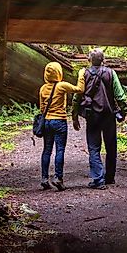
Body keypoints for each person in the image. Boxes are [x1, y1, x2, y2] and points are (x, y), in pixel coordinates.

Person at [73, 49, 127, 189]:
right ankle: (109, 177)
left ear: (89, 60)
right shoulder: (111, 73)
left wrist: (74, 116)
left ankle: (98, 179)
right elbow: (120, 95)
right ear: (103, 60)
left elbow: (77, 96)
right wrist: (123, 111)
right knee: (111, 147)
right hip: (109, 115)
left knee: (94, 147)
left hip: (92, 116)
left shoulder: (84, 73)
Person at [38, 61, 83, 191]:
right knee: (60, 150)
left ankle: (44, 179)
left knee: (46, 150)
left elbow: (42, 108)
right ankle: (58, 178)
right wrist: (81, 74)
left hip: (46, 121)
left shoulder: (42, 88)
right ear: (58, 73)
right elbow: (79, 89)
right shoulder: (61, 85)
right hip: (59, 122)